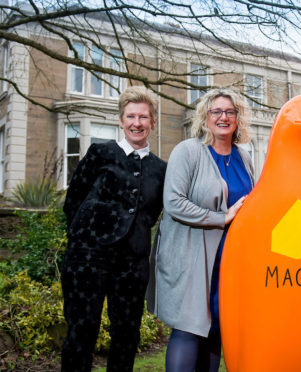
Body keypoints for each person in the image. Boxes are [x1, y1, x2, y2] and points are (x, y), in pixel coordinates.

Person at [146, 88, 254, 372]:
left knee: (216, 328)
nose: (223, 117)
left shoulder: (244, 157)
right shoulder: (188, 151)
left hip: (230, 260)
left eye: (230, 112)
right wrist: (221, 216)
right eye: (216, 111)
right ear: (205, 118)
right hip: (192, 257)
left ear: (238, 118)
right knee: (189, 328)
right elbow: (173, 202)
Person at [61, 86, 166, 372]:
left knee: (126, 334)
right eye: (131, 116)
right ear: (121, 120)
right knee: (81, 331)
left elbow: (151, 214)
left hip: (132, 264)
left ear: (152, 122)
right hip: (88, 258)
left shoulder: (161, 169)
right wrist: (83, 239)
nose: (137, 123)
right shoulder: (100, 153)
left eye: (143, 117)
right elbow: (74, 200)